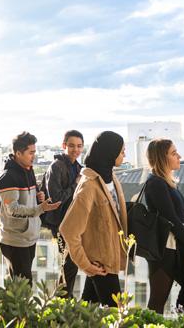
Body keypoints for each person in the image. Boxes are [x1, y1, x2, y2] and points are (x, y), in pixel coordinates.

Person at [60, 131, 127, 307]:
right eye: (121, 151)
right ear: (109, 153)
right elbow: (68, 229)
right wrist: (86, 264)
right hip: (100, 263)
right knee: (117, 313)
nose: (124, 155)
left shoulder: (110, 178)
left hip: (108, 257)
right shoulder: (89, 185)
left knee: (89, 310)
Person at [0, 131, 61, 285]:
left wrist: (38, 197)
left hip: (28, 237)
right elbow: (12, 210)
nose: (34, 156)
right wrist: (40, 208)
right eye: (30, 152)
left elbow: (29, 199)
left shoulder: (28, 170)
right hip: (15, 240)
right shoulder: (8, 177)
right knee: (22, 287)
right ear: (18, 153)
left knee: (21, 285)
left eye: (34, 152)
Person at [143, 138, 184, 314]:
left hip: (175, 246)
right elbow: (171, 218)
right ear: (162, 158)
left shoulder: (166, 182)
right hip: (165, 249)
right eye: (174, 153)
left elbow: (177, 217)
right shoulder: (155, 183)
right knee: (157, 302)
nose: (179, 156)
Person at [41, 129, 84, 298]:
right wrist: (76, 185)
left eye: (79, 146)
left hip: (73, 220)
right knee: (69, 261)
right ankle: (63, 298)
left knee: (71, 261)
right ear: (64, 145)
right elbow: (56, 198)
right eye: (72, 145)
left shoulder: (78, 167)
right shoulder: (57, 166)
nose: (76, 150)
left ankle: (64, 297)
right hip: (60, 221)